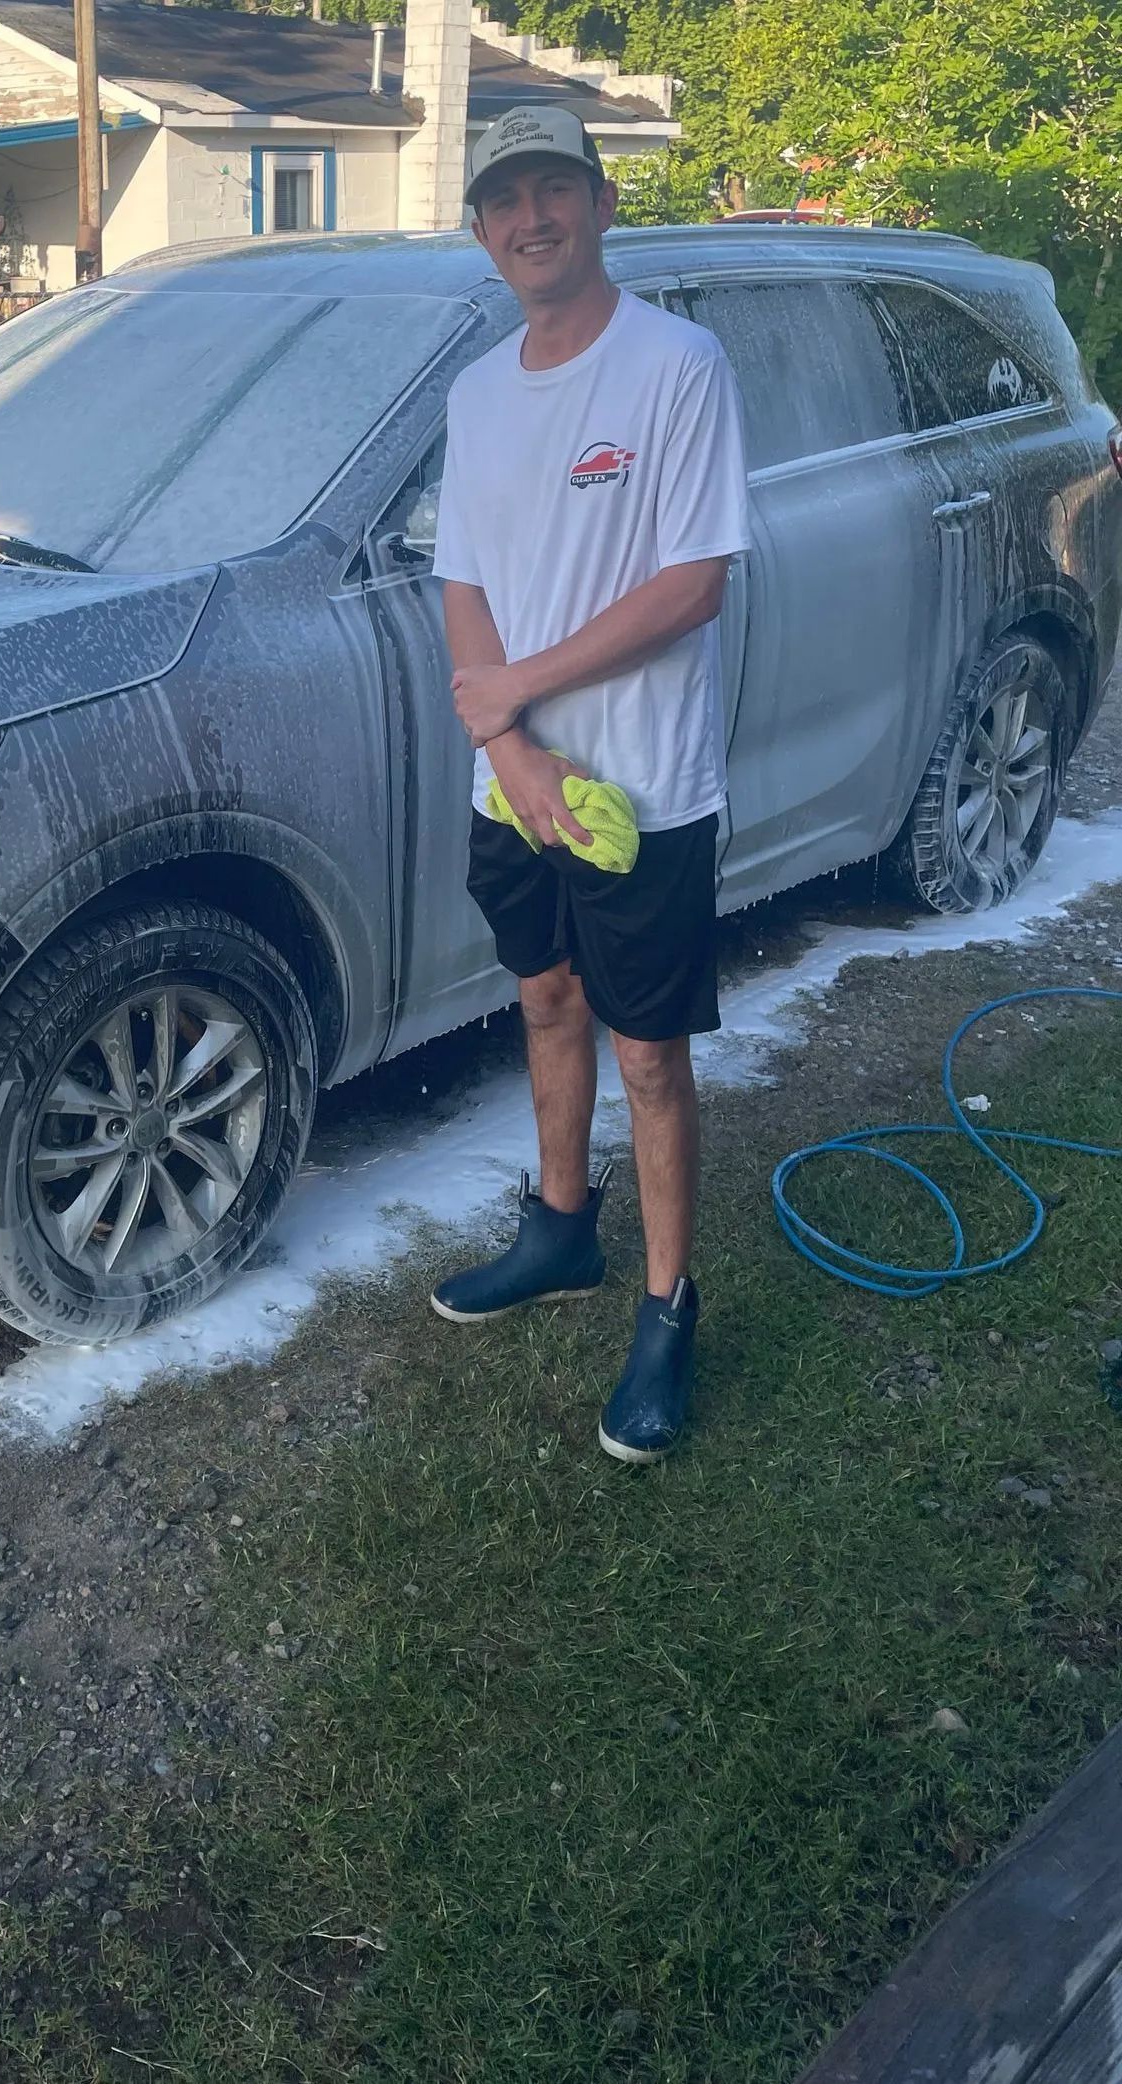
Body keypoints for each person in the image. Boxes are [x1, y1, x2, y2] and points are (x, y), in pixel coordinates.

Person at [428, 107, 751, 1464]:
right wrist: (508, 742)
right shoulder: (477, 390)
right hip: (520, 789)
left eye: (554, 187)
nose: (531, 217)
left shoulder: (678, 366)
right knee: (544, 996)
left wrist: (519, 697)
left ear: (603, 204)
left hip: (643, 787)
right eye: (505, 199)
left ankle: (669, 1309)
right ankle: (561, 1227)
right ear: (483, 230)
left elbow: (695, 579)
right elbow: (463, 581)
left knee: (648, 1053)